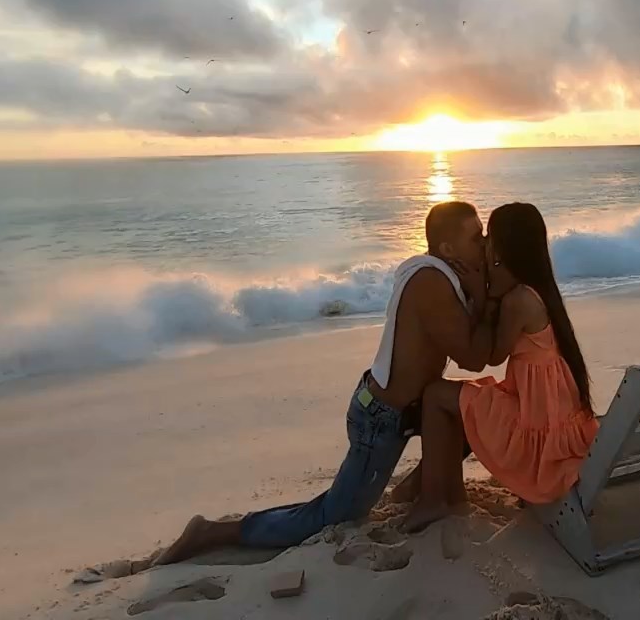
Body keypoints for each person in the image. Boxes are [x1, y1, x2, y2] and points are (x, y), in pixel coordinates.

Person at [155, 201, 492, 564]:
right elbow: (472, 358)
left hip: (407, 408)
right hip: (381, 420)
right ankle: (213, 532)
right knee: (332, 516)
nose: (485, 242)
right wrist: (483, 293)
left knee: (474, 415)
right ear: (448, 248)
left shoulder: (436, 272)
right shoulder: (432, 282)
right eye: (476, 237)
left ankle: (416, 491)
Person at [404, 202, 599, 531]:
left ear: (504, 246)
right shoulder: (539, 289)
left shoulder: (516, 300)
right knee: (470, 397)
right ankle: (440, 490)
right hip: (552, 414)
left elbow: (493, 356)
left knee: (437, 395)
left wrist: (484, 297)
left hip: (536, 426)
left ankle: (435, 499)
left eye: (488, 237)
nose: (483, 244)